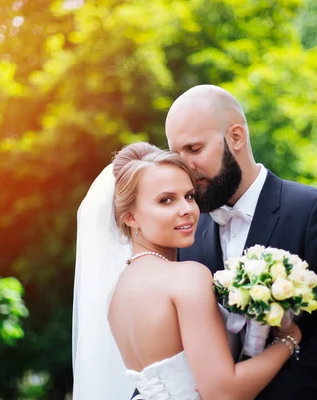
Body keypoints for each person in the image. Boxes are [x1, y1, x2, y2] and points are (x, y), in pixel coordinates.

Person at [164, 84, 317, 400]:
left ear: (236, 137)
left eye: (194, 149)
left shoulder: (315, 211)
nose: (185, 167)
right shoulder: (188, 235)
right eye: (176, 155)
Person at [72, 142, 302, 400]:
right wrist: (288, 340)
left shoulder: (117, 293)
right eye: (166, 200)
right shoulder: (187, 277)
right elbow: (223, 392)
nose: (187, 210)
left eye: (189, 196)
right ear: (131, 217)